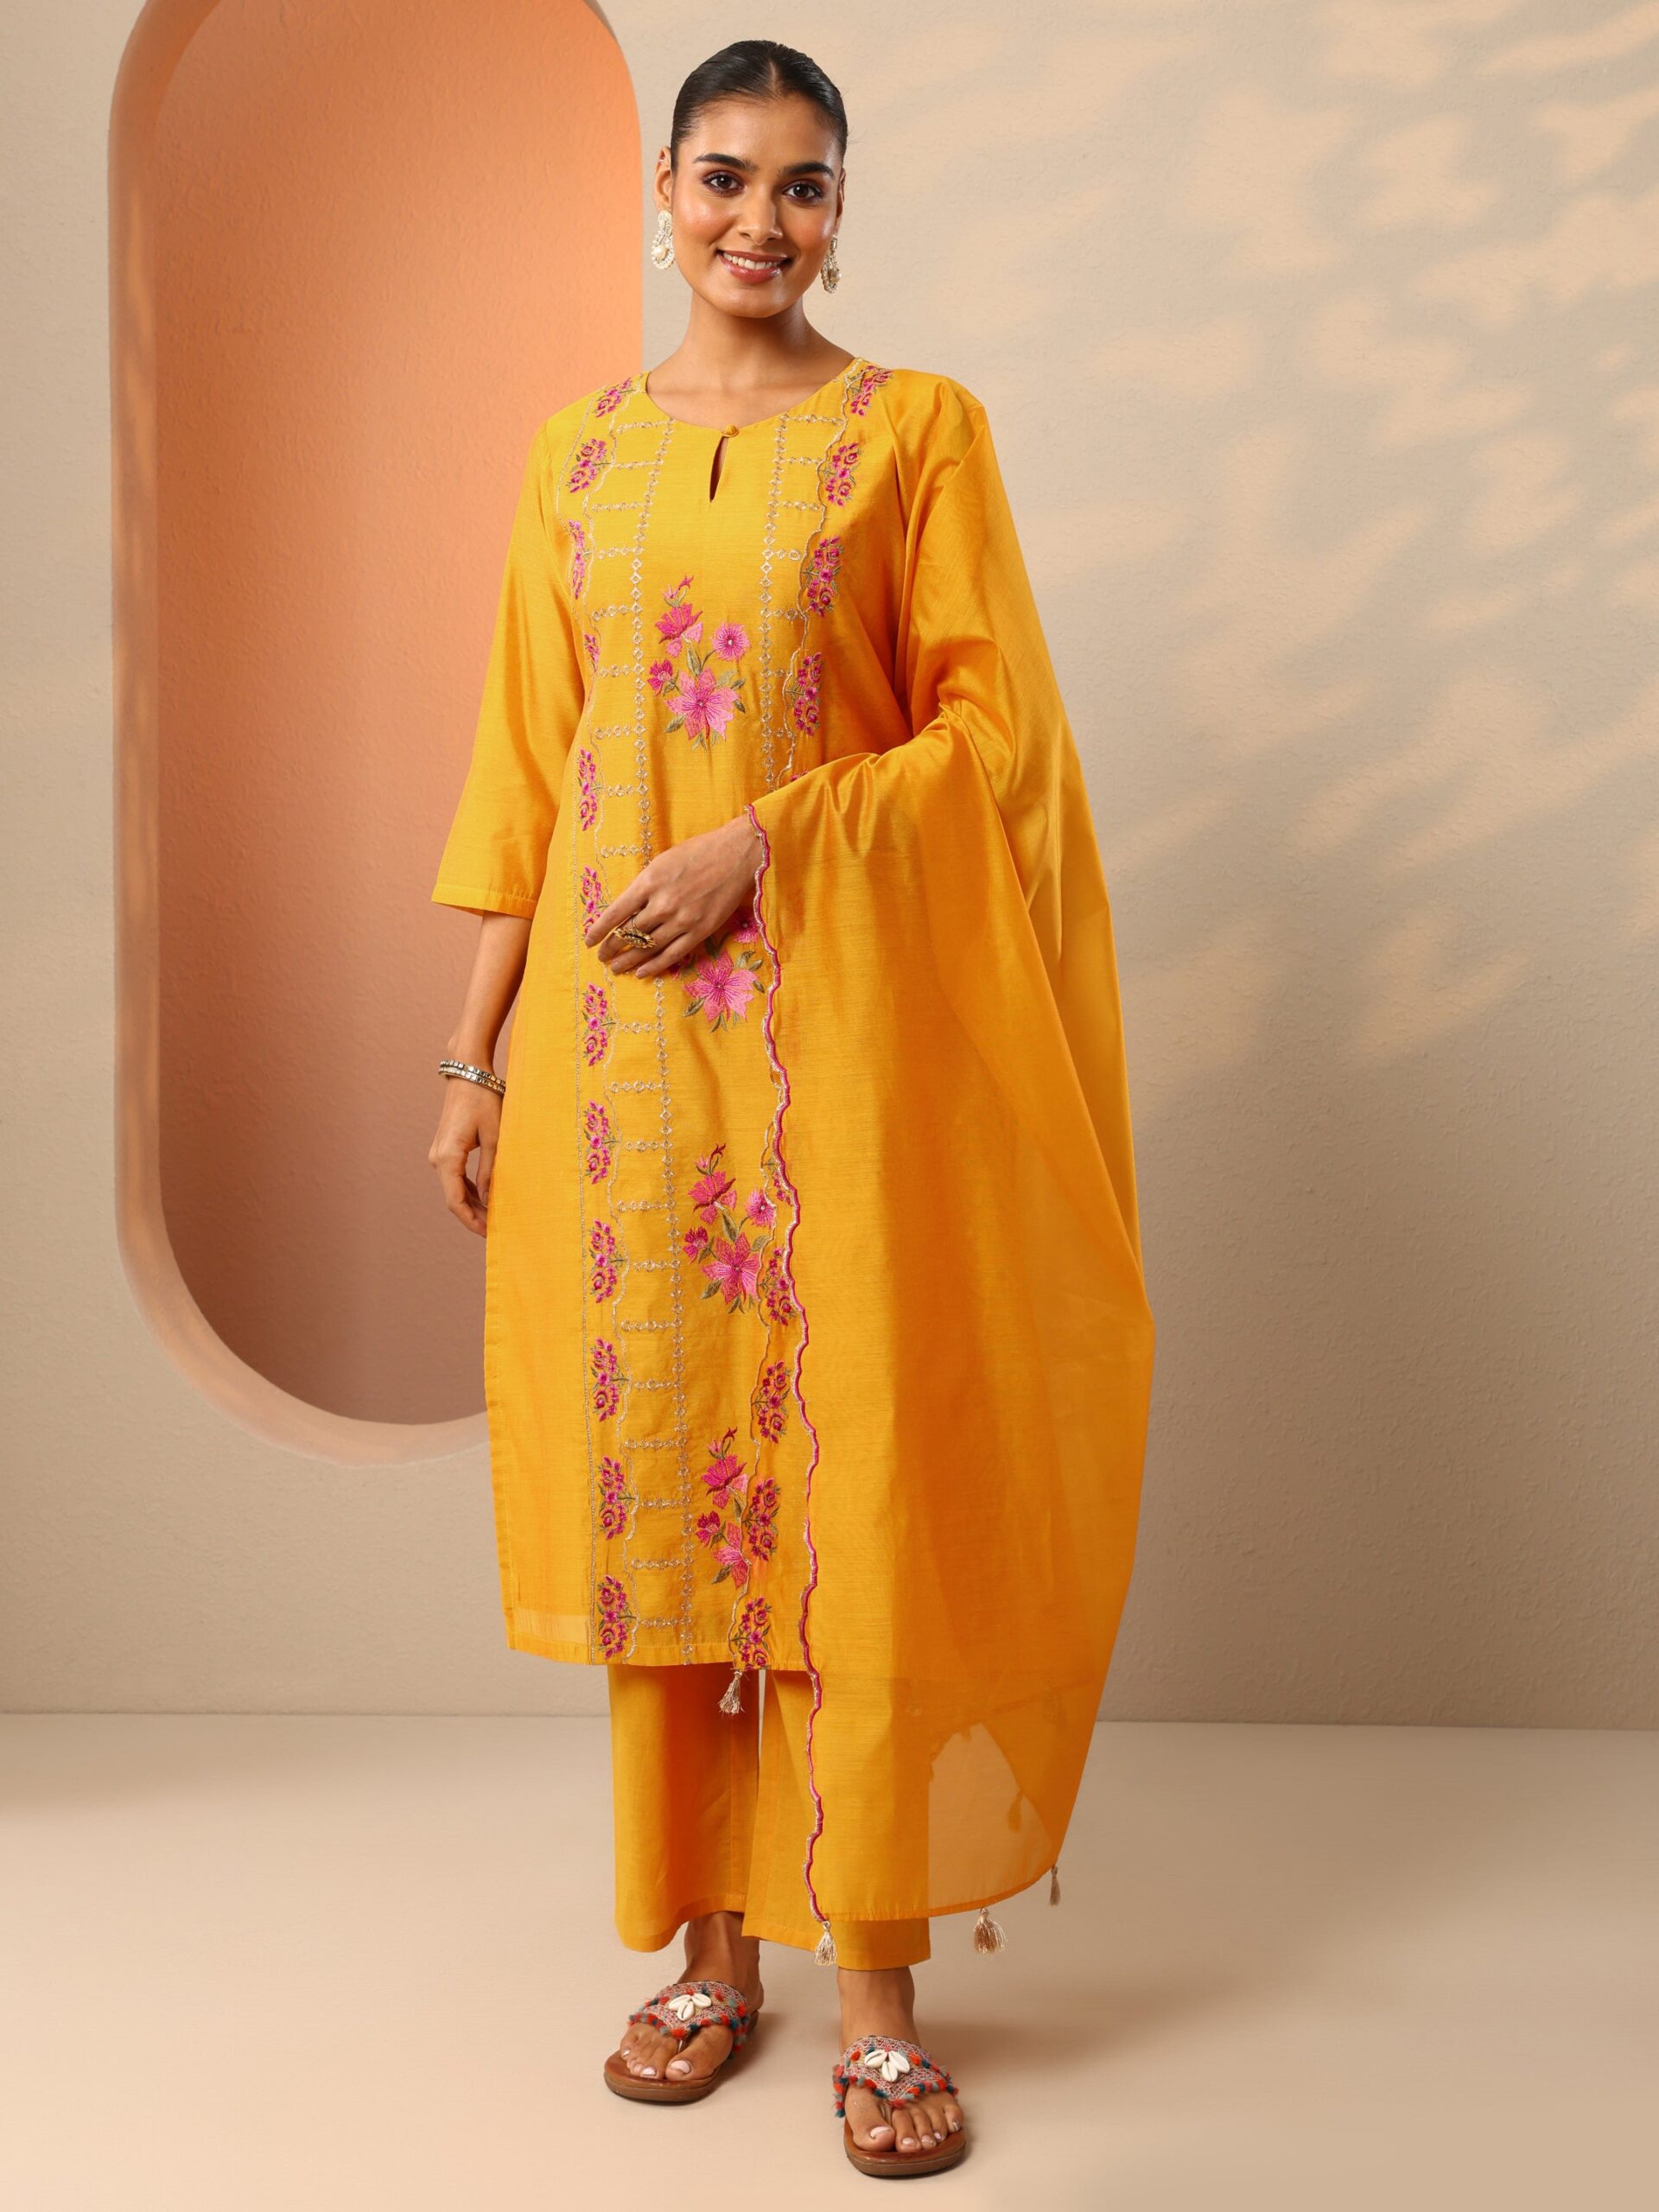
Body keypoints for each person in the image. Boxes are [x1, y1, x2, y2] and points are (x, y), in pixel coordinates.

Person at [428, 38, 1155, 2180]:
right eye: (728, 177)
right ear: (662, 190)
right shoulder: (576, 456)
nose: (764, 220)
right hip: (621, 1068)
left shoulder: (915, 434)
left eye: (806, 185)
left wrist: (769, 841)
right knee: (671, 1492)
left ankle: (879, 1995)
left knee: (847, 1499)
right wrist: (470, 1055)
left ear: (844, 210)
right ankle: (710, 1960)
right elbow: (527, 770)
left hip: (839, 1050)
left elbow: (991, 741)